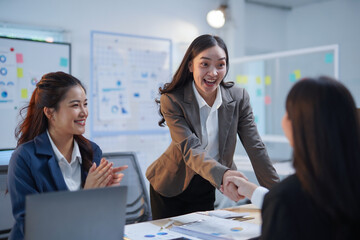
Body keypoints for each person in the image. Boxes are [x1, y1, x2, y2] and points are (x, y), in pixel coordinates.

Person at [146, 34, 279, 220]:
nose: (213, 72)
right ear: (191, 65)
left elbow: (255, 147)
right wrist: (224, 175)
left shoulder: (239, 98)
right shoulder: (173, 100)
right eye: (205, 64)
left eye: (220, 65)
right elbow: (191, 149)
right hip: (170, 185)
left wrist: (278, 196)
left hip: (208, 181)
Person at [227, 76, 360, 239]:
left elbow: (292, 208)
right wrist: (253, 191)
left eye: (288, 113)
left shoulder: (287, 200)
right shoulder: (346, 186)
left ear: (300, 125)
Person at [7, 72, 128, 240]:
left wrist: (106, 195)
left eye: (85, 104)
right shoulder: (24, 158)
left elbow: (97, 220)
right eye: (75, 105)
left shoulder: (92, 151)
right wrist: (88, 195)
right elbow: (32, 228)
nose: (84, 112)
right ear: (50, 113)